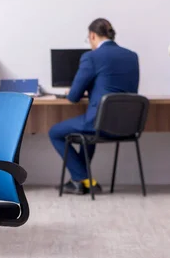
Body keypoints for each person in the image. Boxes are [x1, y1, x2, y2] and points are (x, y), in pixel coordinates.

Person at [49, 18, 140, 195]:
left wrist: (75, 91)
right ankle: (80, 182)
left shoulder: (91, 57)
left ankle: (84, 178)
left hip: (100, 123)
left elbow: (74, 97)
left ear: (92, 35)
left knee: (55, 132)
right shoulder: (132, 55)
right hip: (127, 125)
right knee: (87, 133)